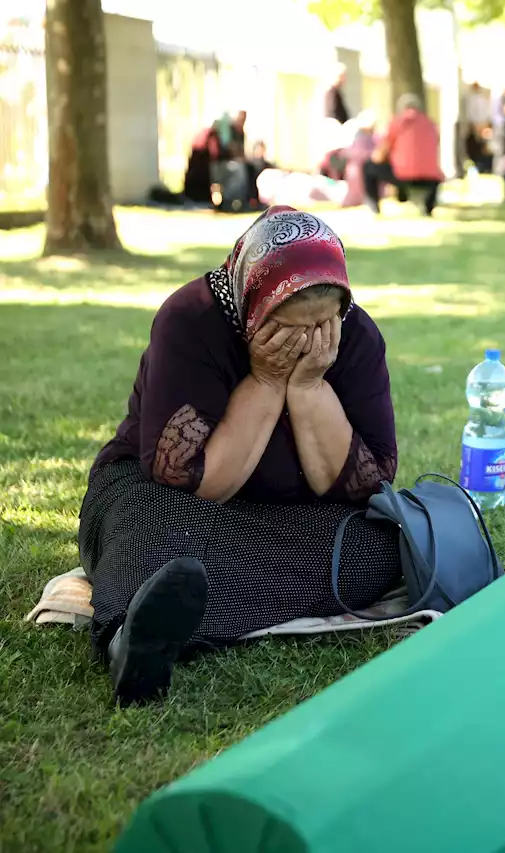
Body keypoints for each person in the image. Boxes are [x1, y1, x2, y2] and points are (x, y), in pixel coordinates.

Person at [80, 206, 400, 706]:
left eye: (323, 324)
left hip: (291, 517)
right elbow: (196, 483)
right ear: (253, 307)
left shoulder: (357, 338)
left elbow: (368, 484)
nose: (308, 342)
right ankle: (131, 635)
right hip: (170, 502)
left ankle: (181, 604)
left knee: (377, 545)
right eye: (287, 329)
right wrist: (268, 381)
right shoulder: (190, 321)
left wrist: (309, 385)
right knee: (149, 524)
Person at [363, 94, 445, 216]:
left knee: (369, 167)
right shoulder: (431, 124)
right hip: (432, 177)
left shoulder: (397, 123)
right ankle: (427, 208)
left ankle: (374, 207)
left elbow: (380, 154)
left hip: (403, 175)